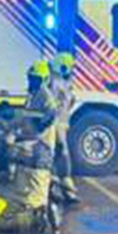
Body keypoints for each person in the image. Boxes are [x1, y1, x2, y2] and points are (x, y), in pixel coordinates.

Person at [10, 60, 61, 234]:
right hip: (33, 147)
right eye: (30, 78)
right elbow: (27, 118)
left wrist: (37, 130)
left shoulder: (45, 95)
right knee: (36, 190)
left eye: (35, 79)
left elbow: (51, 114)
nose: (31, 81)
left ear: (44, 79)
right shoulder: (33, 95)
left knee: (39, 192)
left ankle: (45, 228)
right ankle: (45, 225)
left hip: (41, 149)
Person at [50, 51, 80, 205]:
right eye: (70, 67)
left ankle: (61, 187)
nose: (72, 70)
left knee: (59, 154)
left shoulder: (64, 82)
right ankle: (62, 187)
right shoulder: (55, 83)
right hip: (55, 124)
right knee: (61, 153)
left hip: (61, 124)